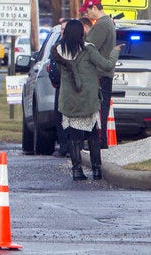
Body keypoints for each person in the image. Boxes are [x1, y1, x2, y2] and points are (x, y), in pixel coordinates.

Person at [51, 19, 121, 181]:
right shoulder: (88, 49)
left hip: (68, 100)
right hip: (88, 99)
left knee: (74, 137)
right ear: (81, 33)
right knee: (93, 136)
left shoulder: (58, 51)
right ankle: (96, 170)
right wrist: (115, 51)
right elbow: (107, 65)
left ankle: (77, 171)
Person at [80, 0, 116, 149]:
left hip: (99, 74)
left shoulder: (102, 25)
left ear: (94, 7)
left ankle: (99, 142)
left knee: (98, 108)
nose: (86, 15)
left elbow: (88, 46)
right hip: (103, 74)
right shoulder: (107, 23)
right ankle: (99, 141)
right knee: (100, 107)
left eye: (87, 11)